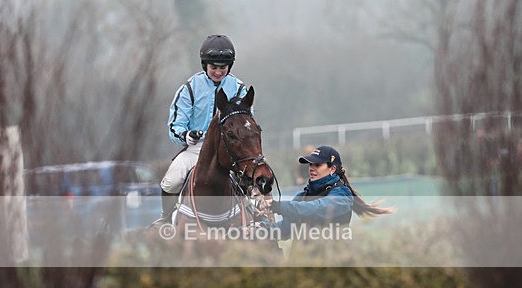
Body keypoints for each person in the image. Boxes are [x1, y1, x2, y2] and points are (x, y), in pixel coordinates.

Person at [152, 34, 247, 225]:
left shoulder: (239, 89)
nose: (218, 72)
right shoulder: (190, 88)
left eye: (223, 68)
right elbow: (175, 124)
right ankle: (166, 218)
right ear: (205, 65)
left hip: (230, 148)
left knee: (254, 173)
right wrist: (186, 135)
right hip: (197, 148)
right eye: (214, 67)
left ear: (229, 66)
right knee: (171, 181)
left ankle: (256, 213)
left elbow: (246, 121)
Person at [261, 145, 392, 239]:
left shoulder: (342, 195)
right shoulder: (302, 196)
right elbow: (284, 230)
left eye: (317, 165)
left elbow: (318, 208)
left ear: (332, 169)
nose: (311, 168)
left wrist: (277, 206)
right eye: (310, 165)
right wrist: (259, 229)